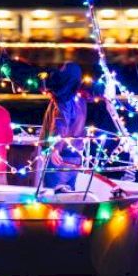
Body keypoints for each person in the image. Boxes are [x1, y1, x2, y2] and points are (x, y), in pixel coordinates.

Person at [39, 62, 88, 192]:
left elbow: (60, 124)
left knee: (52, 198)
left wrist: (55, 148)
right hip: (75, 155)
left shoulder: (63, 99)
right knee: (69, 196)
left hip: (60, 157)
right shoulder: (80, 98)